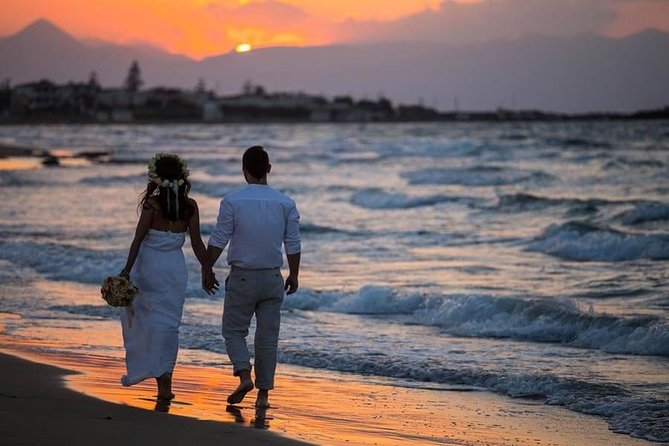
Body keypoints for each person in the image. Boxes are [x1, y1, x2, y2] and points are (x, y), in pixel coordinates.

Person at [203, 145, 301, 409]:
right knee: (268, 339)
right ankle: (263, 396)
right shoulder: (286, 203)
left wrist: (206, 268)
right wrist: (294, 273)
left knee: (233, 331)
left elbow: (219, 239)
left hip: (243, 278)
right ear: (268, 169)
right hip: (273, 279)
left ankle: (244, 375)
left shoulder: (232, 201)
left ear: (244, 171)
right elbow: (293, 243)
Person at [119, 153, 208, 401]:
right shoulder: (190, 207)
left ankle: (160, 376)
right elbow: (198, 243)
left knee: (147, 322)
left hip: (149, 268)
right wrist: (207, 268)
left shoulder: (152, 206)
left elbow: (138, 239)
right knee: (169, 326)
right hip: (174, 270)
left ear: (157, 179)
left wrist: (127, 270)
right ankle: (166, 377)